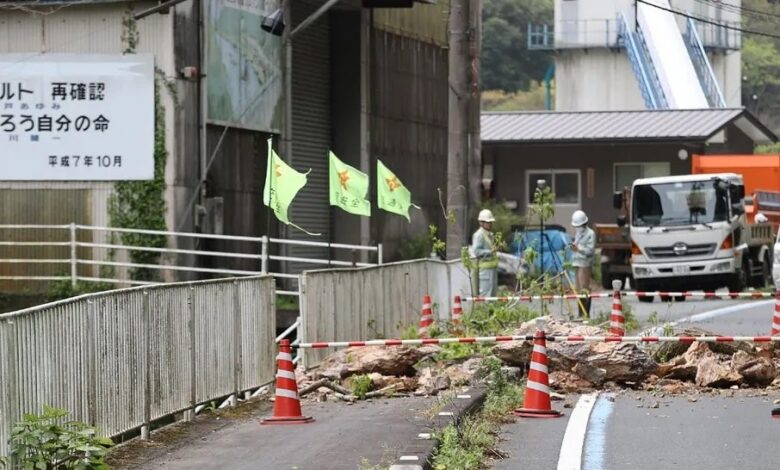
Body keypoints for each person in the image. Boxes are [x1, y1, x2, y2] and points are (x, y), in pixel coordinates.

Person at [470, 209, 499, 297]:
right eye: (487, 222)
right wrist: (490, 252)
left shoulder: (489, 234)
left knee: (493, 296)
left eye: (490, 222)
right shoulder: (479, 235)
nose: (490, 224)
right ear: (481, 223)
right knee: (486, 296)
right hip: (485, 271)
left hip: (492, 270)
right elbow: (476, 251)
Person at [570, 210, 595, 293]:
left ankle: (585, 305)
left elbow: (590, 250)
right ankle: (580, 305)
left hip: (585, 263)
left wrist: (579, 249)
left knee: (584, 288)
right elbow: (576, 244)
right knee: (578, 289)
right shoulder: (578, 233)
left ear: (584, 224)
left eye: (579, 226)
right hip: (576, 262)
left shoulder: (590, 234)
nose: (577, 228)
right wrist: (573, 246)